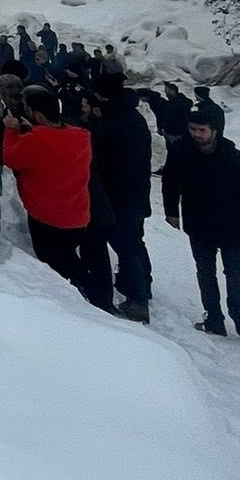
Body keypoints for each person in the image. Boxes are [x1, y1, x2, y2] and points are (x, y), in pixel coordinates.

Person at [0, 85, 91, 291]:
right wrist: (33, 130)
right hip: (77, 215)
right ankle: (88, 292)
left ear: (36, 114)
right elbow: (52, 145)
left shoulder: (35, 141)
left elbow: (11, 158)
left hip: (47, 218)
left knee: (55, 269)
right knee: (69, 258)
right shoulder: (80, 136)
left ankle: (82, 300)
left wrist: (10, 130)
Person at [161, 100, 240, 336]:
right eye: (193, 129)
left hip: (234, 226)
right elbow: (170, 182)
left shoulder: (234, 157)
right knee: (205, 272)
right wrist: (171, 212)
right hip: (199, 224)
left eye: (202, 130)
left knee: (235, 273)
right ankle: (214, 319)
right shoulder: (181, 152)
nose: (197, 134)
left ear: (215, 131)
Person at [86, 88, 154, 321]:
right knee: (133, 242)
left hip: (120, 197)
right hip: (134, 194)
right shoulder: (132, 119)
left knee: (125, 245)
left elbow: (110, 165)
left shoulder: (113, 127)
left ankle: (138, 299)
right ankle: (143, 288)